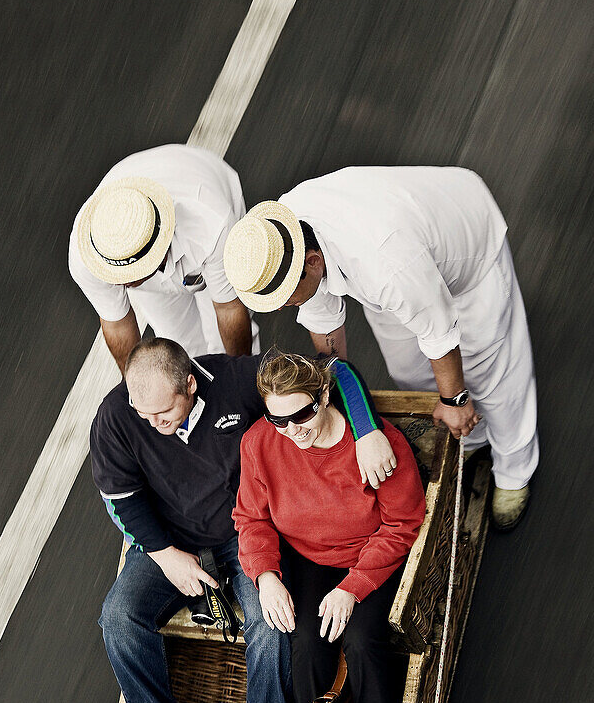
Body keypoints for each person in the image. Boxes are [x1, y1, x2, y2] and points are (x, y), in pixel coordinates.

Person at [90, 338, 393, 703]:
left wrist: (368, 428)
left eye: (162, 413)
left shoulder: (235, 380)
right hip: (165, 543)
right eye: (142, 412)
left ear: (190, 384)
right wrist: (167, 555)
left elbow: (334, 369)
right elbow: (120, 499)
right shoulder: (117, 416)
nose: (152, 424)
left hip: (242, 534)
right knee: (118, 619)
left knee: (273, 626)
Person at [222, 169, 539, 530]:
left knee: (490, 370)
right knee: (407, 367)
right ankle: (472, 440)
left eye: (283, 299)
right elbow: (327, 336)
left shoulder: (386, 264)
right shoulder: (282, 237)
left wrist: (455, 399)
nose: (280, 309)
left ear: (312, 263)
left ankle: (515, 469)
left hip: (466, 253)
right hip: (401, 260)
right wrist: (340, 407)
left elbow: (438, 328)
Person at [233, 351, 426, 703]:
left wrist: (355, 587)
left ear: (324, 396)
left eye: (302, 414)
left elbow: (402, 523)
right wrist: (267, 576)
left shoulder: (377, 446)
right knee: (305, 648)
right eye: (279, 420)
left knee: (362, 644)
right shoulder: (261, 443)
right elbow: (252, 519)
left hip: (368, 555)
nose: (293, 430)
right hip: (306, 558)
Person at [69, 144, 257, 369]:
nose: (121, 282)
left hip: (208, 190)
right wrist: (135, 391)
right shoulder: (88, 258)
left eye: (129, 272)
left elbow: (229, 309)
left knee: (222, 340)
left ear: (156, 250)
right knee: (178, 347)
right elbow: (117, 325)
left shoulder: (213, 225)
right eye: (116, 274)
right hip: (151, 253)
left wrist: (238, 383)